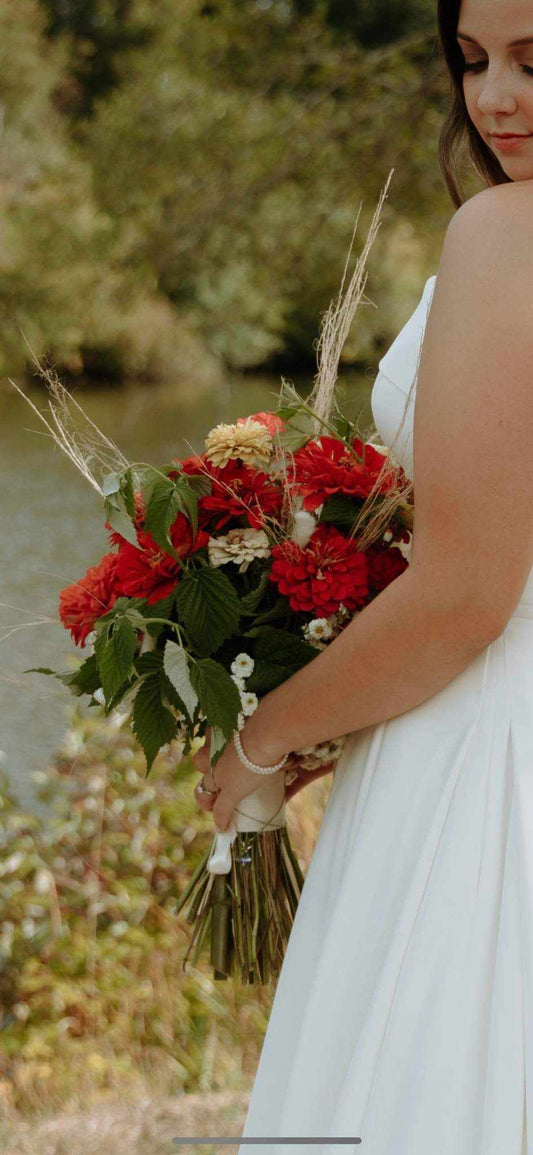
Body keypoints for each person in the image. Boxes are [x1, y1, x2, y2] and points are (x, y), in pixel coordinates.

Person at [193, 0, 533, 1149]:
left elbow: (465, 597)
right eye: (472, 59)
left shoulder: (505, 233)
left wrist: (261, 740)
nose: (493, 99)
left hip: (482, 779)